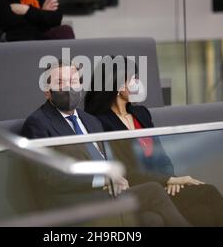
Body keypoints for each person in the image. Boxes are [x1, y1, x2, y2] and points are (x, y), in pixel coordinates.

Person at [20, 60, 196, 227]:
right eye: (60, 82)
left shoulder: (91, 121)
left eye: (73, 81)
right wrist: (101, 178)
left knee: (152, 220)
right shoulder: (38, 123)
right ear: (46, 91)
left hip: (109, 194)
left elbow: (109, 160)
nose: (68, 87)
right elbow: (46, 176)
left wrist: (117, 178)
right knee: (154, 191)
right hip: (73, 201)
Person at [84, 55, 223, 227]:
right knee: (209, 193)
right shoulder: (100, 122)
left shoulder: (141, 113)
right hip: (142, 190)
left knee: (202, 213)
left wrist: (170, 178)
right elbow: (124, 170)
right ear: (119, 85)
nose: (138, 82)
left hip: (164, 185)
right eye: (134, 78)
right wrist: (166, 181)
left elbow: (162, 157)